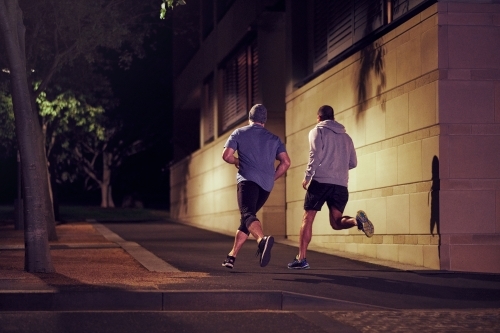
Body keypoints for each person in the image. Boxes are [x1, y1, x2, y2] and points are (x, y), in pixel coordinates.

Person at [288, 105, 374, 270]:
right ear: (333, 118)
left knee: (308, 218)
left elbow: (315, 155)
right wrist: (337, 168)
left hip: (320, 182)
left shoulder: (317, 131)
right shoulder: (346, 137)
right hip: (340, 185)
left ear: (318, 117)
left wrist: (307, 177)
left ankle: (302, 258)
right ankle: (357, 221)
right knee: (336, 222)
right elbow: (353, 163)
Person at [221, 104, 291, 269]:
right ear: (264, 121)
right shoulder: (275, 139)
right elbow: (286, 162)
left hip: (247, 180)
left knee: (247, 214)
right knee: (246, 218)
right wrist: (272, 177)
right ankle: (231, 257)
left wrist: (237, 161)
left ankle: (262, 240)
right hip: (266, 186)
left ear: (250, 118)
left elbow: (226, 155)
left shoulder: (239, 133)